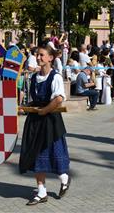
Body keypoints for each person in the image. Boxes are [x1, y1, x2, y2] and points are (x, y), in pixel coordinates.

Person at [19, 44, 71, 205]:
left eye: (42, 55)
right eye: (37, 55)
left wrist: (45, 110)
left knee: (54, 153)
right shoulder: (34, 77)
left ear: (50, 58)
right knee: (36, 155)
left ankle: (64, 178)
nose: (39, 57)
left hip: (50, 121)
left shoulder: (55, 76)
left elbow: (59, 99)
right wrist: (27, 107)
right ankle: (41, 192)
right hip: (36, 120)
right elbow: (33, 97)